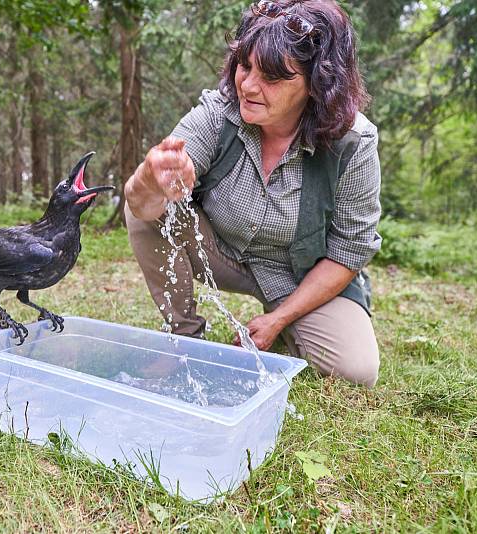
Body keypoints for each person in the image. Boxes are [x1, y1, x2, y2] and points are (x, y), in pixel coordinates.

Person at [124, 0, 382, 387]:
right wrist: (151, 176)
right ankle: (184, 338)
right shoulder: (218, 112)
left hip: (300, 275)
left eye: (273, 78)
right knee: (149, 209)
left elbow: (348, 252)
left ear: (317, 85)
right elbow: (142, 201)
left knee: (355, 370)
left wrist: (279, 319)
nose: (248, 86)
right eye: (246, 66)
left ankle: (285, 321)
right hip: (222, 253)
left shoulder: (352, 143)